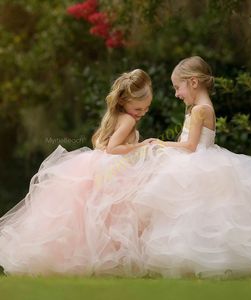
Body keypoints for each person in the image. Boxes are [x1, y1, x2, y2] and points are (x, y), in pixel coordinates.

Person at [132, 56, 251, 278]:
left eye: (177, 87)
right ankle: (193, 264)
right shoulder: (197, 108)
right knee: (192, 215)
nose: (176, 94)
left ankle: (198, 262)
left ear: (193, 82)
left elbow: (191, 146)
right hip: (197, 160)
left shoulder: (200, 110)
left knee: (195, 214)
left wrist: (161, 143)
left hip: (197, 163)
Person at [0, 69, 155, 276]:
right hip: (113, 170)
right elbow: (112, 149)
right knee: (115, 216)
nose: (142, 112)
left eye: (146, 108)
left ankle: (91, 259)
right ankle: (112, 260)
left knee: (92, 216)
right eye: (138, 108)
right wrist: (141, 146)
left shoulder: (115, 116)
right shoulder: (127, 120)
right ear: (124, 101)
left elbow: (100, 142)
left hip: (98, 165)